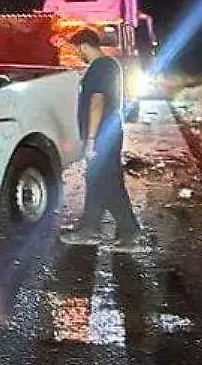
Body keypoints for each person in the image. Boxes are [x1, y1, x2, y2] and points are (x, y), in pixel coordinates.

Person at [60, 28, 142, 251]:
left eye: (77, 50)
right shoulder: (110, 65)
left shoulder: (100, 67)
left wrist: (91, 139)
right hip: (109, 132)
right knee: (97, 180)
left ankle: (130, 231)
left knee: (107, 182)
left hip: (103, 135)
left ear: (84, 46)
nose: (77, 55)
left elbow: (97, 101)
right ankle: (90, 228)